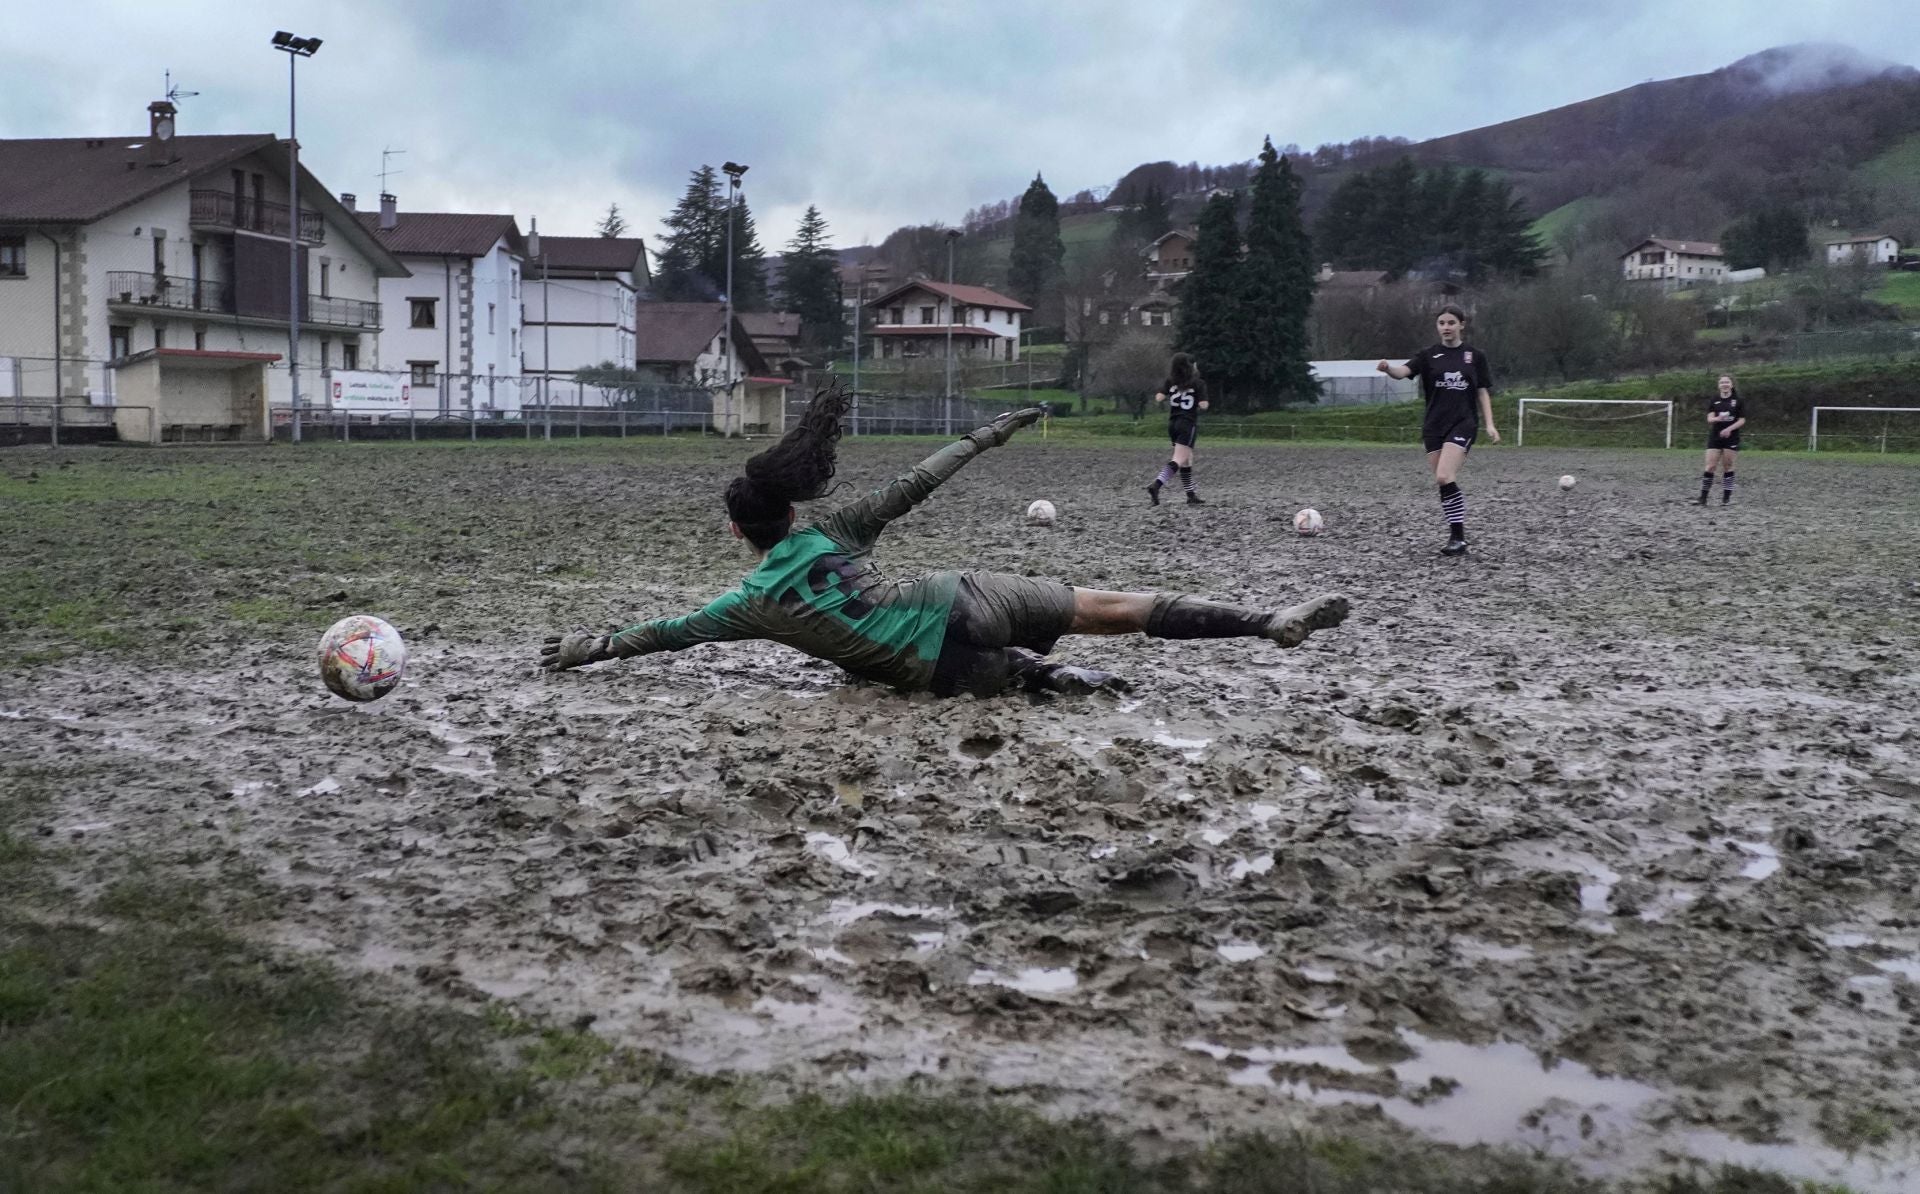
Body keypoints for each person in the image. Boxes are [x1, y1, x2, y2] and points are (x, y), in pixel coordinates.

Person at [541, 386, 1349, 697]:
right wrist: (989, 434)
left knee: (1027, 678)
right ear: (790, 513)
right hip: (957, 595)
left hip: (937, 666)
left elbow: (660, 638)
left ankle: (1057, 677)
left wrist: (585, 649)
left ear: (738, 533)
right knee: (1119, 606)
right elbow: (919, 482)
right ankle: (1265, 621)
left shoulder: (747, 602)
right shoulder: (835, 528)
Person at [1376, 305, 1500, 555]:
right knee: (1444, 482)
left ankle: (1458, 538)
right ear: (1437, 326)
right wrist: (1388, 368)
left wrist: (1489, 424)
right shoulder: (1428, 355)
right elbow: (1403, 372)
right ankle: (1457, 537)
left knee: (1444, 476)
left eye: (1451, 322)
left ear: (1462, 325)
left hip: (1463, 422)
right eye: (1442, 323)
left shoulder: (1475, 356)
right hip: (1434, 425)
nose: (1446, 327)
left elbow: (1482, 391)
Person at [1146, 352, 1209, 506]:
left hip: (1173, 424)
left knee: (1187, 459)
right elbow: (1204, 405)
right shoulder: (1198, 383)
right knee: (1179, 460)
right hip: (1187, 424)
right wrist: (1199, 401)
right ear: (1190, 366)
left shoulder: (1170, 381)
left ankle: (1191, 495)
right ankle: (1156, 485)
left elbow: (1159, 397)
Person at [1697, 374, 1745, 505]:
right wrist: (1717, 419)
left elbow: (1742, 420)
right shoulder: (1714, 400)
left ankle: (1726, 498)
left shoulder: (1738, 401)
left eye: (1727, 382)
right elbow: (1709, 419)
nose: (1724, 384)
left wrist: (1729, 429)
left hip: (1731, 437)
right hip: (1715, 436)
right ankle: (1703, 497)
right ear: (1719, 385)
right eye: (1722, 382)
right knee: (1710, 466)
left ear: (1731, 385)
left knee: (1728, 466)